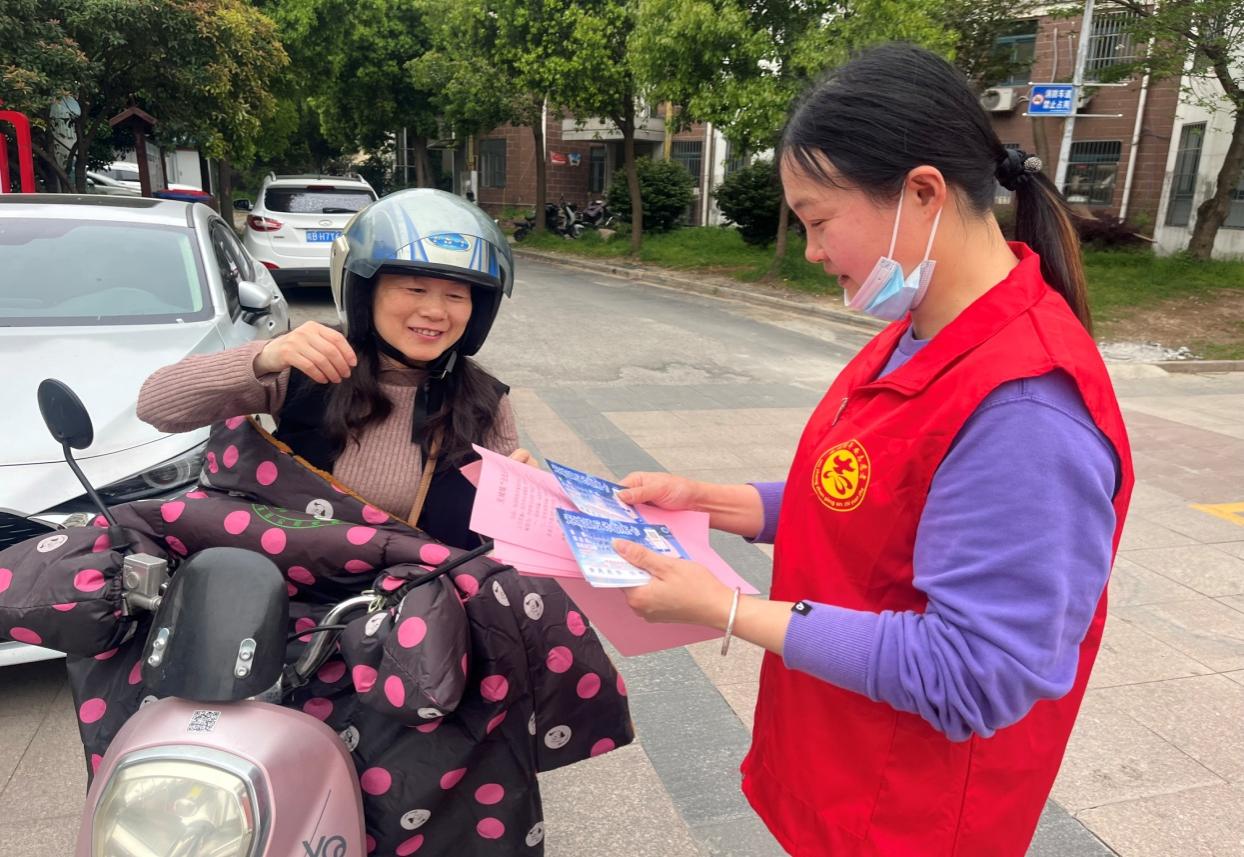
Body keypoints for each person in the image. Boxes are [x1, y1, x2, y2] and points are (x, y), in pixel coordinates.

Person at [610, 43, 1133, 857]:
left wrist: (728, 609)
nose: (813, 250)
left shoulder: (1026, 407)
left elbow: (975, 671)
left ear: (922, 193)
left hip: (912, 815)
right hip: (843, 764)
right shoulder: (921, 331)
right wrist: (706, 500)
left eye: (819, 219)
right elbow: (862, 493)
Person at [139, 188, 530, 547]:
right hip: (297, 590)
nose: (435, 311)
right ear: (364, 294)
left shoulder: (483, 402)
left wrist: (523, 504)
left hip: (422, 595)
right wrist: (265, 357)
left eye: (456, 296)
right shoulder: (315, 367)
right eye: (415, 289)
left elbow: (506, 550)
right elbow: (157, 407)